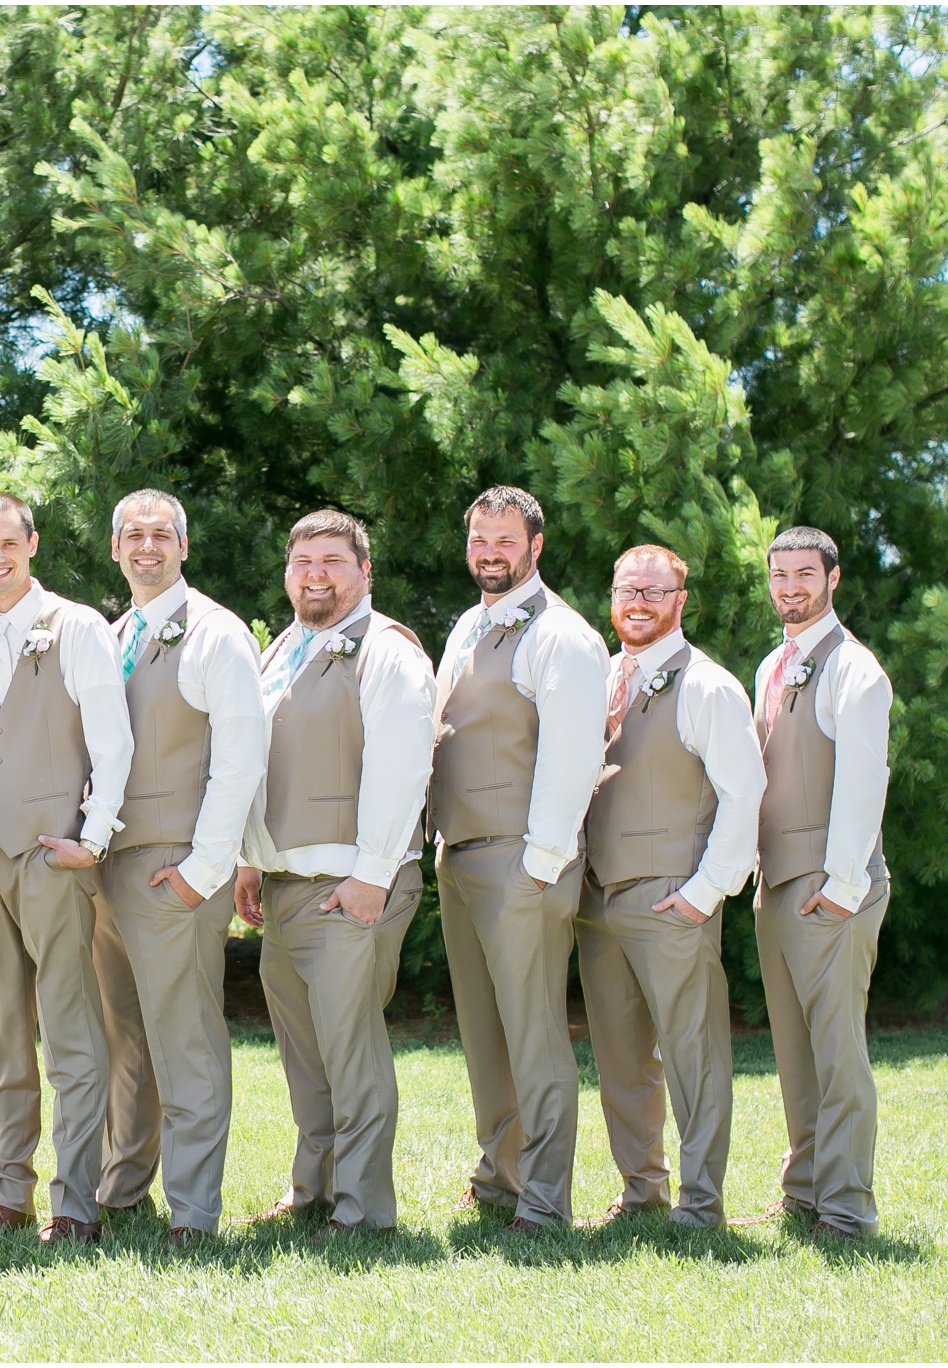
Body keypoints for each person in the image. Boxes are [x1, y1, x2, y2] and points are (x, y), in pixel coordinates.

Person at [0, 492, 133, 1245]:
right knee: (4, 1034)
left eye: (7, 543)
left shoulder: (77, 626)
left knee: (72, 1034)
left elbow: (111, 740)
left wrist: (96, 835)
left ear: (32, 544)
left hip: (53, 854)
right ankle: (8, 1194)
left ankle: (75, 1202)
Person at [233, 510, 435, 1238]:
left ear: (364, 572)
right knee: (305, 1055)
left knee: (352, 1053)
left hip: (352, 884)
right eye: (302, 562)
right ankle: (311, 1189)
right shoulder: (284, 647)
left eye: (332, 561)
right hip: (286, 884)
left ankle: (364, 1210)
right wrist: (250, 860)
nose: (315, 574)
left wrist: (373, 875)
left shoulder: (387, 651)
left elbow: (403, 765)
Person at [430, 486, 609, 1232]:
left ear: (536, 545)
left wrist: (541, 865)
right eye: (479, 540)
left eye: (505, 540)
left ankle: (544, 1199)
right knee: (484, 1032)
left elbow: (572, 756)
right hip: (461, 855)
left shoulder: (561, 635)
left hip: (523, 863)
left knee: (533, 1037)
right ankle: (499, 1176)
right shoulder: (470, 625)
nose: (490, 553)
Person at [90, 491, 264, 1245]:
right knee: (125, 1038)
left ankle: (194, 1213)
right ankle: (123, 1189)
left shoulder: (216, 635)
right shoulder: (113, 633)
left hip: (174, 869)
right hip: (109, 870)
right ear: (116, 547)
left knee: (185, 1040)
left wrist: (205, 868)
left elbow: (241, 758)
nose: (147, 547)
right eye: (134, 535)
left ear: (184, 547)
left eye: (162, 535)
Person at [575, 544, 763, 1228]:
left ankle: (703, 1201)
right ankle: (640, 1190)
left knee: (693, 1054)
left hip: (669, 896)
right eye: (629, 588)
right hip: (597, 900)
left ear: (680, 602)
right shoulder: (598, 681)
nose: (639, 602)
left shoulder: (707, 685)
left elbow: (745, 794)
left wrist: (705, 892)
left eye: (655, 591)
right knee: (620, 1057)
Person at [750, 526, 893, 1240]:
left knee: (837, 1053)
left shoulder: (854, 668)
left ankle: (847, 1208)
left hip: (832, 885)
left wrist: (842, 885)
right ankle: (804, 1191)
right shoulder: (770, 666)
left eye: (804, 573)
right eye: (779, 574)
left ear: (832, 580)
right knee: (794, 1052)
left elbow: (866, 779)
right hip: (776, 884)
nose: (790, 587)